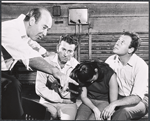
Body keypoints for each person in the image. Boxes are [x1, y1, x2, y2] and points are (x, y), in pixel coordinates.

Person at [1, 7, 78, 119]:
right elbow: (29, 57)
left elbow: (32, 44)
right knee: (13, 85)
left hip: (6, 73)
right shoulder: (9, 29)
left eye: (47, 29)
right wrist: (57, 72)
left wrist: (46, 53)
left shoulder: (23, 32)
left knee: (22, 102)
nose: (45, 33)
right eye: (44, 27)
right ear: (32, 21)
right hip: (5, 77)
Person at [103, 31, 148, 120]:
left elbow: (137, 97)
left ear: (130, 49)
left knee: (123, 112)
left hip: (141, 101)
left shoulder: (141, 65)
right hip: (118, 98)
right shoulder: (110, 60)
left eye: (122, 42)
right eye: (118, 40)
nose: (117, 43)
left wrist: (114, 104)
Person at [35, 34, 79, 120]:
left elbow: (75, 93)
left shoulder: (77, 67)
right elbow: (39, 89)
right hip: (47, 102)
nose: (65, 54)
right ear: (58, 48)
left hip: (68, 104)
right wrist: (61, 99)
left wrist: (57, 85)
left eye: (70, 51)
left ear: (74, 52)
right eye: (63, 49)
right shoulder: (45, 62)